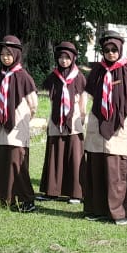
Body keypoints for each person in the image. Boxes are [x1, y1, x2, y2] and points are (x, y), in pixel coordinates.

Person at [83, 32, 127, 225]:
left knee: (117, 171)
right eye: (107, 50)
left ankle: (118, 213)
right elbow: (89, 93)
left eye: (114, 50)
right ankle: (96, 209)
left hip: (119, 128)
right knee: (97, 169)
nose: (110, 53)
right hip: (98, 126)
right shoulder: (97, 70)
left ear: (120, 50)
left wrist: (124, 114)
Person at [0, 35, 39, 211]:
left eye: (9, 54)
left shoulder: (23, 77)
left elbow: (33, 104)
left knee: (16, 161)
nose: (5, 57)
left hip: (17, 126)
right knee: (0, 159)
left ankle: (26, 200)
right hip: (0, 127)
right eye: (3, 54)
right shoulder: (0, 76)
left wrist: (24, 119)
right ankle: (0, 196)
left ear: (16, 55)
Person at [38, 41, 87, 203]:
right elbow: (51, 98)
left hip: (74, 121)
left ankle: (76, 193)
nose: (64, 61)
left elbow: (83, 100)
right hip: (56, 121)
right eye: (61, 57)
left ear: (73, 59)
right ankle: (52, 191)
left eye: (67, 58)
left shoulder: (79, 77)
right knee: (55, 155)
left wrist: (82, 117)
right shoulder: (54, 76)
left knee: (75, 157)